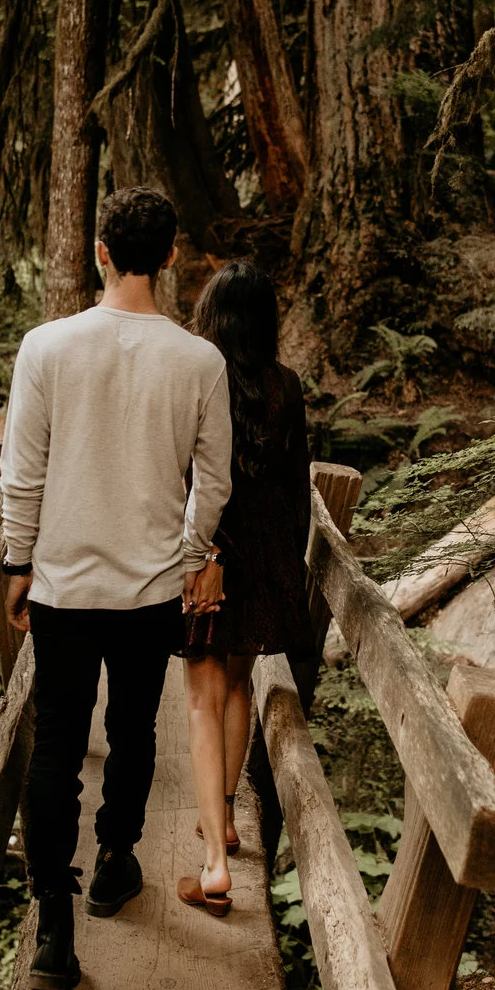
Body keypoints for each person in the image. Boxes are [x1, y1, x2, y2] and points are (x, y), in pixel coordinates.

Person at [0, 188, 232, 990]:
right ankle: (116, 861)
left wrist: (16, 562)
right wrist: (192, 551)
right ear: (172, 256)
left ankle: (54, 931)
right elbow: (215, 481)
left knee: (57, 744)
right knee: (134, 728)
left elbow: (20, 473)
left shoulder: (46, 348)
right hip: (149, 588)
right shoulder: (200, 361)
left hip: (63, 584)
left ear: (101, 252)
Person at [174, 260, 313, 917]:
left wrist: (188, 555)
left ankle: (215, 865)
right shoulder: (287, 386)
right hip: (263, 567)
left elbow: (181, 481)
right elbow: (295, 494)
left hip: (211, 559)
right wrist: (289, 575)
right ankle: (224, 819)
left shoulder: (198, 380)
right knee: (234, 688)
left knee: (201, 701)